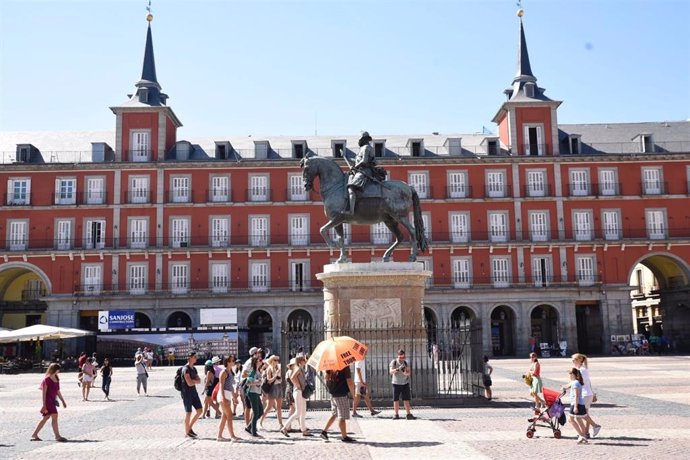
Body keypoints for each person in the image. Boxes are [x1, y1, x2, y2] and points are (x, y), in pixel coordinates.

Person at [343, 131, 383, 215]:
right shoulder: (363, 148)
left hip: (365, 171)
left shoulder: (366, 148)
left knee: (351, 188)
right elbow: (357, 160)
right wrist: (345, 156)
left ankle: (351, 211)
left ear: (364, 139)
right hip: (360, 170)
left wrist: (355, 167)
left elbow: (364, 161)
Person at [31, 363, 67, 442]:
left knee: (46, 418)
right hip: (48, 401)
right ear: (55, 370)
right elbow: (43, 393)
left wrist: (63, 400)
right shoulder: (46, 379)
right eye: (58, 370)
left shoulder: (57, 378)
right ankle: (57, 436)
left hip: (53, 400)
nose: (59, 371)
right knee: (54, 416)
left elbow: (58, 391)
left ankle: (35, 434)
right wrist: (44, 405)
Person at [320, 365, 357, 443]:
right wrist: (354, 394)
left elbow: (326, 377)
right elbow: (349, 381)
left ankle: (324, 432)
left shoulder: (329, 365)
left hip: (333, 393)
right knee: (342, 416)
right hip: (341, 394)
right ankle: (344, 436)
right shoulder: (345, 366)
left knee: (335, 414)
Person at [571, 353, 602, 438]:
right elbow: (588, 382)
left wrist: (569, 386)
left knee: (579, 416)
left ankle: (592, 428)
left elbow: (580, 383)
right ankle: (586, 432)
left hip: (584, 394)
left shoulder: (581, 370)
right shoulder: (582, 369)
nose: (573, 361)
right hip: (587, 394)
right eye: (572, 360)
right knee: (585, 414)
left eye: (574, 360)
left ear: (580, 360)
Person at [281, 356, 310, 437]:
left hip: (301, 392)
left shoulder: (300, 368)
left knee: (303, 412)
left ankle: (303, 430)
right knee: (298, 412)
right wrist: (298, 386)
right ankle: (284, 427)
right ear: (300, 361)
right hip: (298, 391)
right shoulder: (298, 368)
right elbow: (293, 377)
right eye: (304, 360)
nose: (305, 361)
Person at [562, 367, 589, 444]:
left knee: (571, 419)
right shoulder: (575, 382)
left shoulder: (575, 383)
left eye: (569, 374)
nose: (569, 376)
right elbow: (568, 385)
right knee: (579, 420)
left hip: (576, 403)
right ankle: (584, 436)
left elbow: (577, 395)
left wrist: (576, 407)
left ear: (573, 374)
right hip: (579, 403)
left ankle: (581, 435)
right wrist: (564, 387)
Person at [216, 355, 239, 442]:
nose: (234, 362)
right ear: (228, 362)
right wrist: (223, 397)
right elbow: (221, 386)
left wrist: (234, 397)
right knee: (229, 416)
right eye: (232, 360)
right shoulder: (224, 372)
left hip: (228, 395)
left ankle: (219, 436)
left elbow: (231, 387)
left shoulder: (230, 372)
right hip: (224, 395)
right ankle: (232, 436)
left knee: (225, 416)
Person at [181, 351, 203, 438]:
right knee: (188, 412)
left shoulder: (194, 369)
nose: (196, 358)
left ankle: (189, 428)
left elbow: (199, 380)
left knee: (200, 411)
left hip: (194, 392)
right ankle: (187, 432)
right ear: (190, 358)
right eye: (194, 357)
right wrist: (195, 381)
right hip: (186, 393)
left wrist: (194, 381)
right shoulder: (185, 369)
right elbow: (189, 383)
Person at [389, 349, 416, 420]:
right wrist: (398, 369)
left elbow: (409, 373)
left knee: (406, 399)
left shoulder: (406, 363)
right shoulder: (394, 362)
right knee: (396, 399)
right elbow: (391, 372)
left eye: (403, 357)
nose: (401, 358)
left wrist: (405, 373)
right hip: (396, 383)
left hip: (405, 383)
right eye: (400, 357)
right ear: (398, 355)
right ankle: (396, 414)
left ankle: (408, 414)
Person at [260, 354, 284, 429]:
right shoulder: (269, 369)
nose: (276, 361)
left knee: (279, 407)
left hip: (279, 386)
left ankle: (281, 424)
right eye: (275, 360)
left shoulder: (278, 367)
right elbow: (269, 381)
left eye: (277, 360)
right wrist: (275, 376)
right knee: (269, 407)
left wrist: (279, 377)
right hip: (273, 388)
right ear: (271, 361)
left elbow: (280, 379)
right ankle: (260, 421)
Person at [241, 347, 262, 430]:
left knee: (254, 408)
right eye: (258, 352)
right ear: (254, 354)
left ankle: (250, 425)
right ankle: (248, 425)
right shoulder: (249, 362)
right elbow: (243, 374)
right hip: (247, 386)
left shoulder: (255, 362)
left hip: (253, 386)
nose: (259, 353)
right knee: (248, 407)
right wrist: (252, 377)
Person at [245, 355, 264, 437]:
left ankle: (249, 427)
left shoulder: (258, 371)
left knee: (260, 411)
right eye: (260, 360)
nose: (261, 361)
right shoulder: (253, 371)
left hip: (256, 392)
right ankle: (253, 431)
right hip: (252, 392)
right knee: (256, 412)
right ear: (256, 362)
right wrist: (257, 382)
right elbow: (248, 383)